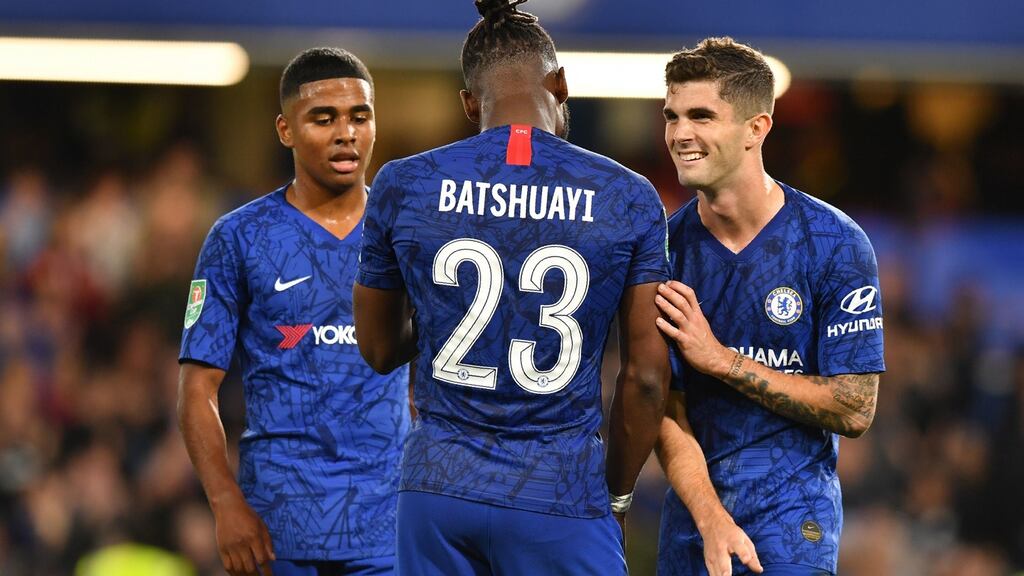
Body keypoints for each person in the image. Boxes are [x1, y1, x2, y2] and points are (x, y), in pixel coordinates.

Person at [352, 1, 669, 574]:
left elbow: (376, 349)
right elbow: (646, 379)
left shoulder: (403, 183)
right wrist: (617, 498)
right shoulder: (628, 196)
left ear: (469, 103)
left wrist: (445, 313)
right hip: (559, 492)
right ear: (561, 84)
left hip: (438, 490)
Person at [654, 37, 884, 576]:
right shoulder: (661, 252)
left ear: (756, 128)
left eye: (702, 116)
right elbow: (664, 407)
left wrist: (721, 360)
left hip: (794, 528)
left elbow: (855, 408)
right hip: (693, 528)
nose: (680, 133)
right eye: (672, 116)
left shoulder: (834, 243)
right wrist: (712, 519)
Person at [177, 47, 410, 576]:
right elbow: (197, 388)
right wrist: (224, 502)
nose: (346, 134)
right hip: (274, 528)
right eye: (323, 119)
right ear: (285, 130)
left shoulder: (406, 232)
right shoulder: (238, 237)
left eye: (359, 117)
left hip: (388, 528)